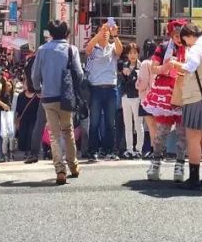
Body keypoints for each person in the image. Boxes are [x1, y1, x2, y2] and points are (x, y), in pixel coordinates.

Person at [169, 23, 202, 190]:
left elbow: (189, 67)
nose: (186, 44)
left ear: (190, 35)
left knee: (193, 138)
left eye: (186, 40)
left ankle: (194, 178)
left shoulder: (197, 47)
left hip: (195, 97)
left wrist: (175, 64)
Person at [31, 20, 84, 185]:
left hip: (48, 96)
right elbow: (80, 74)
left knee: (54, 134)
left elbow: (35, 75)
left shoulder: (42, 50)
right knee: (68, 130)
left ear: (50, 34)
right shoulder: (71, 49)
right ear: (67, 34)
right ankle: (73, 166)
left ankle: (60, 170)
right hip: (66, 96)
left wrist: (38, 88)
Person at [142, 22, 187, 181]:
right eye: (176, 35)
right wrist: (168, 66)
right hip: (165, 90)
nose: (179, 39)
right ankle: (156, 163)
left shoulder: (191, 47)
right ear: (171, 35)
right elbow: (153, 68)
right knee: (162, 130)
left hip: (183, 89)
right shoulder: (163, 47)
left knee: (183, 132)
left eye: (181, 35)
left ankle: (180, 166)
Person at [84, 20, 123, 160]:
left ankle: (109, 150)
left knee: (110, 122)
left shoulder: (112, 47)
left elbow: (120, 50)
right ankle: (92, 150)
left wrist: (115, 35)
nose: (106, 33)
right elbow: (88, 48)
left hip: (111, 88)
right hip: (96, 89)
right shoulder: (94, 49)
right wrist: (99, 34)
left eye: (107, 31)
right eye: (103, 31)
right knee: (94, 122)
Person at [118, 42, 144, 158]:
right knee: (127, 124)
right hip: (125, 97)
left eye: (134, 53)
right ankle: (129, 149)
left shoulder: (142, 66)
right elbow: (121, 82)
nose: (132, 55)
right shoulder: (124, 65)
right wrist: (123, 73)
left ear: (138, 54)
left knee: (138, 124)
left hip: (137, 97)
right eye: (130, 53)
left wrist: (134, 74)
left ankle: (139, 149)